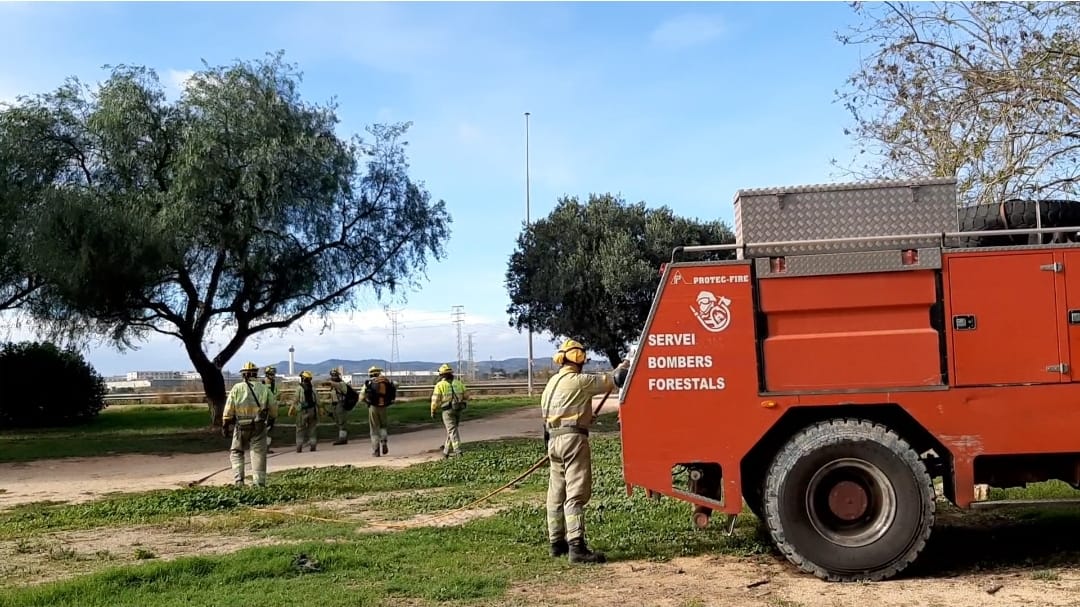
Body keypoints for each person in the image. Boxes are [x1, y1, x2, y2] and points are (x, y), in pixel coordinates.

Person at [541, 339, 629, 564]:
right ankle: (577, 548)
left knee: (556, 494)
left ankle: (556, 543)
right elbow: (614, 380)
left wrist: (586, 418)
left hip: (554, 440)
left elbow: (555, 415)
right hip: (573, 441)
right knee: (576, 494)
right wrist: (625, 365)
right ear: (579, 359)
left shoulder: (552, 383)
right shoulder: (580, 381)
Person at [222, 361, 278, 487]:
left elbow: (229, 408)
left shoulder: (237, 388)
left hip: (241, 426)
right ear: (256, 374)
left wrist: (225, 424)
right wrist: (272, 420)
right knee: (258, 453)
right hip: (259, 426)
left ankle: (239, 481)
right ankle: (259, 483)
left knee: (236, 452)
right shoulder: (264, 388)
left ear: (243, 374)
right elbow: (273, 408)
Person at [430, 363, 469, 458]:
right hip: (458, 409)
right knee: (451, 430)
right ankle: (446, 452)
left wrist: (433, 410)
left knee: (452, 431)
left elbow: (435, 400)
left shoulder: (440, 385)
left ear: (441, 375)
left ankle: (458, 451)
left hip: (447, 411)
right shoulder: (458, 383)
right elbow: (467, 395)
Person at [361, 366, 397, 457]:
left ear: (370, 373)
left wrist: (367, 402)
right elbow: (394, 387)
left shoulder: (368, 383)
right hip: (384, 407)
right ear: (379, 373)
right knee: (383, 426)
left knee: (374, 430)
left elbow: (361, 397)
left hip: (373, 407)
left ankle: (376, 450)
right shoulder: (385, 381)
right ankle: (384, 441)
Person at [289, 370, 320, 453]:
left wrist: (291, 410)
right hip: (312, 411)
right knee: (312, 429)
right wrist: (320, 410)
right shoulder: (313, 389)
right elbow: (318, 401)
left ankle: (299, 447)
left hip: (302, 412)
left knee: (300, 429)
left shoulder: (299, 388)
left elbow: (295, 401)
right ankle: (313, 445)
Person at [327, 368, 349, 445]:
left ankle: (343, 439)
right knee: (337, 422)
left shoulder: (341, 384)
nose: (333, 377)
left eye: (335, 375)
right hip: (334, 404)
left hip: (341, 404)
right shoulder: (333, 386)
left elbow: (342, 390)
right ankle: (342, 437)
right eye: (332, 375)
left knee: (341, 422)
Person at [262, 366, 281, 453]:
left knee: (269, 429)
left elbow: (276, 395)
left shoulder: (274, 385)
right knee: (263, 429)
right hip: (263, 410)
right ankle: (262, 447)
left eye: (273, 374)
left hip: (272, 410)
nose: (273, 376)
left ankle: (266, 447)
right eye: (271, 374)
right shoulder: (262, 384)